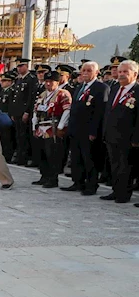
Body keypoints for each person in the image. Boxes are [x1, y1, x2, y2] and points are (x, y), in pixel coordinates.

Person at [62, 61, 109, 196]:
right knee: (77, 158)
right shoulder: (80, 87)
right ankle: (78, 182)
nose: (86, 73)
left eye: (89, 70)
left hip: (89, 130)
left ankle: (91, 184)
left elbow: (100, 112)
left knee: (89, 159)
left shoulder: (101, 88)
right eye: (84, 70)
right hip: (76, 129)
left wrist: (94, 131)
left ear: (96, 72)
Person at [101, 60, 139, 204]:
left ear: (135, 74)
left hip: (128, 138)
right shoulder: (116, 88)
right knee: (114, 165)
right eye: (120, 71)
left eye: (125, 72)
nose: (121, 74)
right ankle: (116, 191)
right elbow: (108, 113)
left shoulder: (137, 91)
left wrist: (136, 138)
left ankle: (124, 194)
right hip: (112, 135)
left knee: (126, 167)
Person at [30, 71, 72, 188]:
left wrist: (61, 126)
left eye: (51, 82)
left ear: (57, 82)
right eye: (46, 81)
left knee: (52, 154)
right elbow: (35, 111)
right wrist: (34, 126)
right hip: (41, 126)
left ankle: (53, 178)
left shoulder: (62, 94)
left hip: (53, 126)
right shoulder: (43, 94)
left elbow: (67, 110)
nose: (48, 84)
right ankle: (44, 176)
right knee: (41, 153)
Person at [12, 58, 39, 165]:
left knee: (24, 136)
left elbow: (30, 98)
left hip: (24, 112)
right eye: (18, 66)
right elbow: (16, 98)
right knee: (18, 135)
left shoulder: (31, 79)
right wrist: (14, 112)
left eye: (21, 66)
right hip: (18, 112)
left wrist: (27, 111)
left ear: (26, 66)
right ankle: (19, 156)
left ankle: (24, 157)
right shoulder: (19, 80)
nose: (19, 68)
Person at [0, 72, 17, 163]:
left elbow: (12, 106)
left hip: (7, 117)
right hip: (1, 116)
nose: (2, 82)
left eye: (4, 81)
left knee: (8, 138)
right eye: (2, 80)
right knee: (2, 137)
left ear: (10, 82)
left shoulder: (12, 91)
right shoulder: (3, 91)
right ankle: (3, 154)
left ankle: (7, 155)